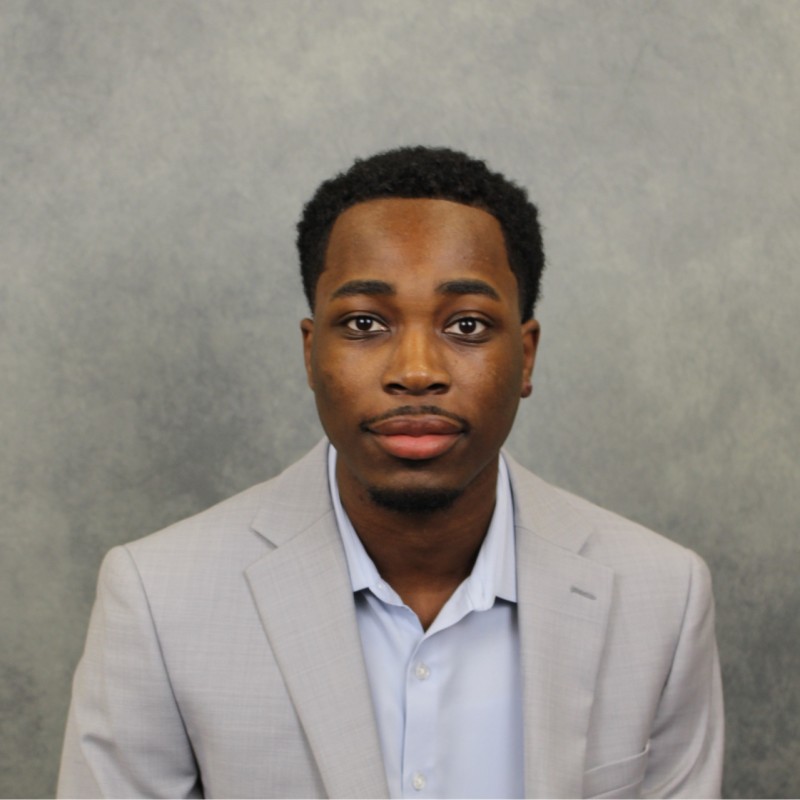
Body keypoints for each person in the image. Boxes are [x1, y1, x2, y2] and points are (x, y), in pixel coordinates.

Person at [58, 146, 723, 799]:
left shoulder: (662, 596)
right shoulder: (158, 597)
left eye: (467, 325)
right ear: (311, 353)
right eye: (364, 322)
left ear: (525, 357)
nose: (416, 371)